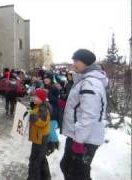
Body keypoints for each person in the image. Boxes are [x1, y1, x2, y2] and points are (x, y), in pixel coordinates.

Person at [60, 49, 108, 180]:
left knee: (77, 174)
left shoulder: (90, 83)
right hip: (77, 135)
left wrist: (79, 141)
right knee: (67, 167)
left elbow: (89, 114)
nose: (73, 64)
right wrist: (66, 105)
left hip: (85, 139)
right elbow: (81, 105)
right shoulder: (84, 80)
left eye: (76, 61)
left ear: (86, 63)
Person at [27, 88, 51, 180]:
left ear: (42, 98)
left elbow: (42, 122)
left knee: (34, 161)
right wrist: (29, 111)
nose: (33, 98)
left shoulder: (43, 108)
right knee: (41, 159)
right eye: (33, 96)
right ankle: (45, 177)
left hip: (40, 138)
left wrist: (33, 116)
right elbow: (34, 113)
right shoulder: (38, 106)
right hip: (39, 137)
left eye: (36, 97)